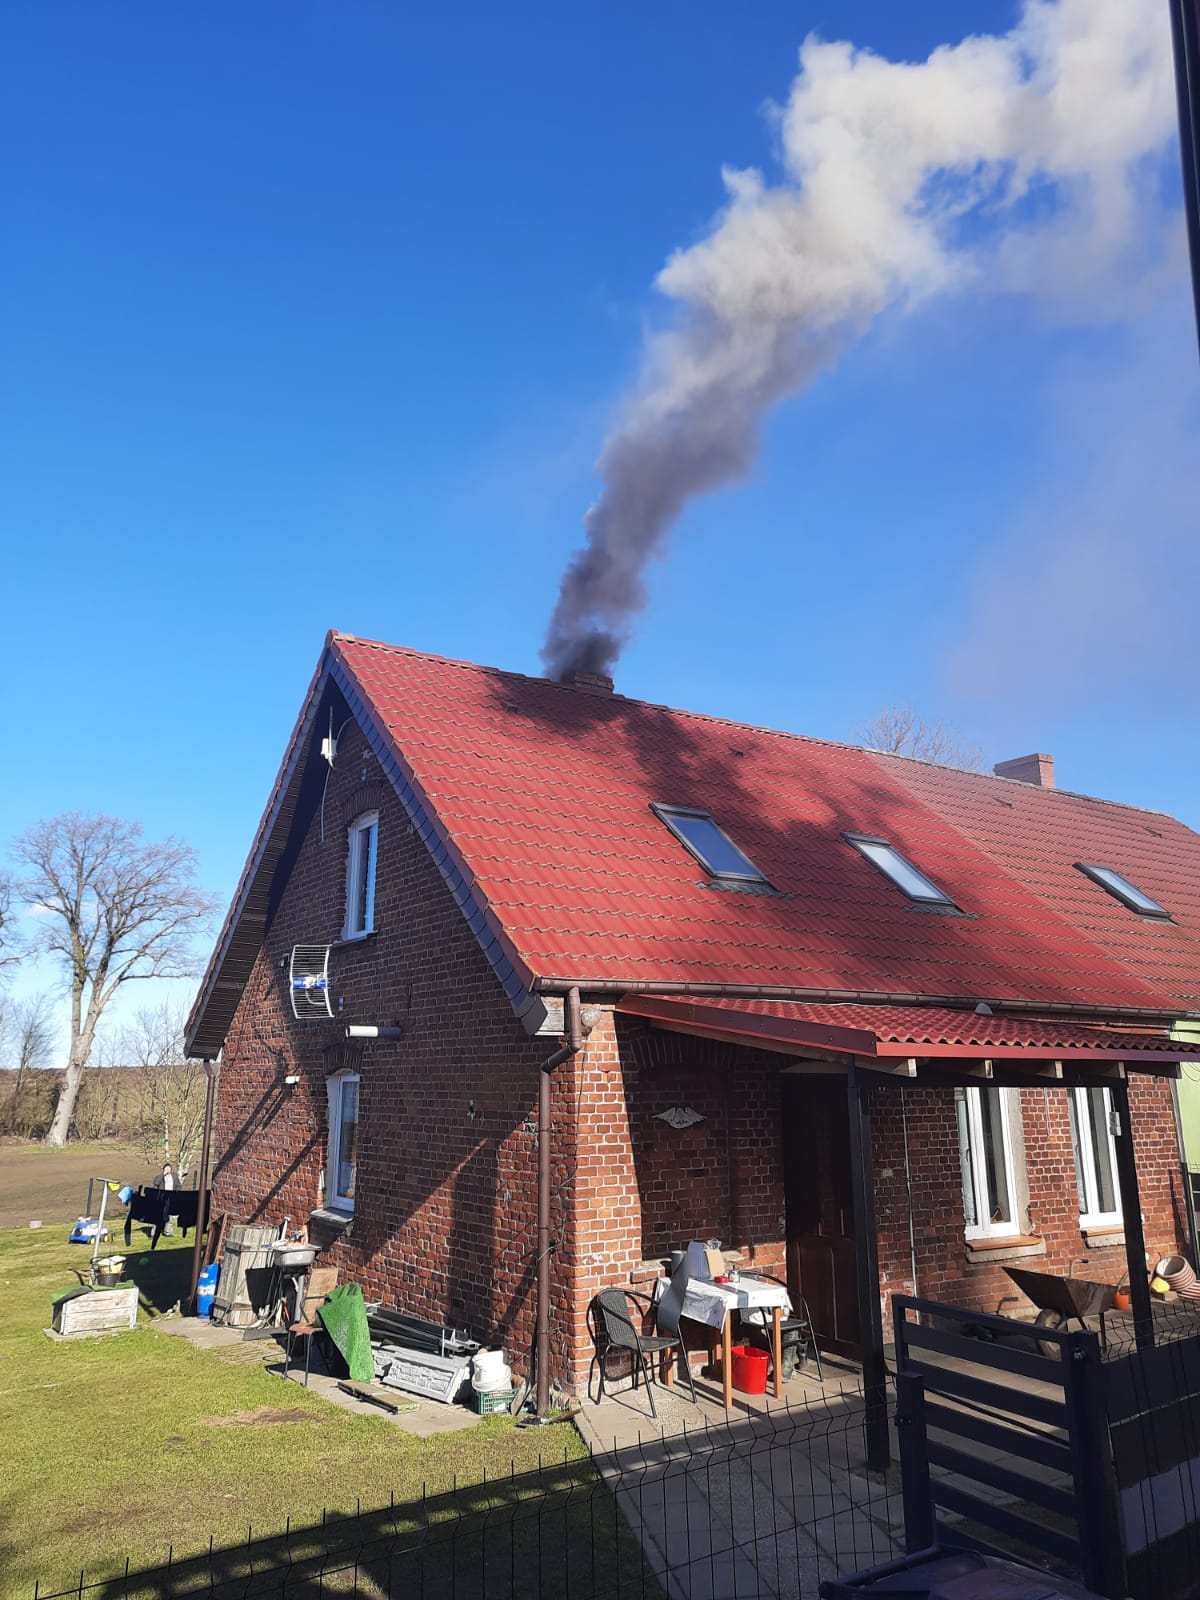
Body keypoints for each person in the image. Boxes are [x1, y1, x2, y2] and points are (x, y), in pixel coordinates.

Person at [161, 1161, 176, 1238]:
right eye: (166, 1168)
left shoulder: (174, 1177)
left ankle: (168, 1232)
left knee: (170, 1215)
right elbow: (156, 1183)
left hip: (171, 1198)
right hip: (162, 1198)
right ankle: (154, 1233)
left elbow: (178, 1185)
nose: (168, 1170)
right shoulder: (160, 1177)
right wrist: (163, 1175)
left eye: (169, 1168)